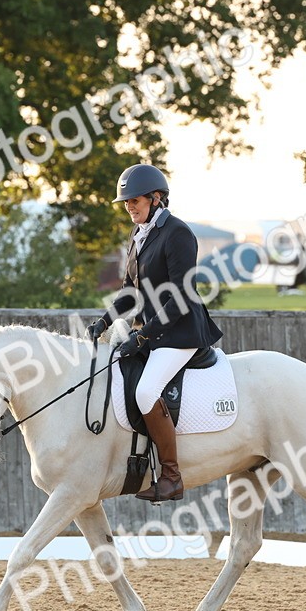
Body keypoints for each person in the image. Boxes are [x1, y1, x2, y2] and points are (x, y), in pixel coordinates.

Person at [86, 164, 223, 502]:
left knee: (146, 391)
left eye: (134, 200)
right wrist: (104, 321)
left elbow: (181, 296)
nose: (129, 206)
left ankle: (172, 476)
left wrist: (143, 336)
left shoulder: (178, 233)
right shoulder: (139, 234)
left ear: (156, 198)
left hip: (181, 333)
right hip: (154, 332)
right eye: (126, 202)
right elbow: (129, 291)